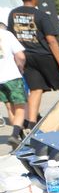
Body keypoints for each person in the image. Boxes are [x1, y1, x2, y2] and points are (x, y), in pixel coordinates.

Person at [7, 0, 59, 131]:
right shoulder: (41, 15)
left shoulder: (13, 14)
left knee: (35, 90)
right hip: (45, 56)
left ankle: (32, 124)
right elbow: (51, 41)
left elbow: (11, 37)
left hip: (27, 58)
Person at [0, 18, 27, 146]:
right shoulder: (7, 34)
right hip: (11, 75)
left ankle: (18, 136)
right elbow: (20, 56)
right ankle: (15, 135)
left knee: (10, 107)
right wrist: (21, 67)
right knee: (20, 107)